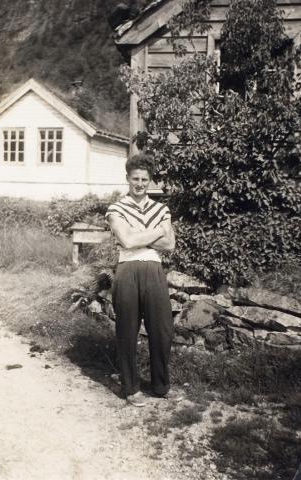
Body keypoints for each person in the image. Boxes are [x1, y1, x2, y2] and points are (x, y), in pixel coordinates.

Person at [105, 153, 182, 407]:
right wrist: (158, 230)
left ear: (150, 181)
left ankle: (160, 386)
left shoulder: (161, 208)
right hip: (127, 269)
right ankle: (130, 388)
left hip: (154, 269)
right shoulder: (116, 208)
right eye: (135, 178)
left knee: (162, 331)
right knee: (127, 330)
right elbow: (126, 241)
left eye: (144, 179)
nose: (139, 183)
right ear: (127, 178)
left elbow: (170, 244)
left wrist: (139, 233)